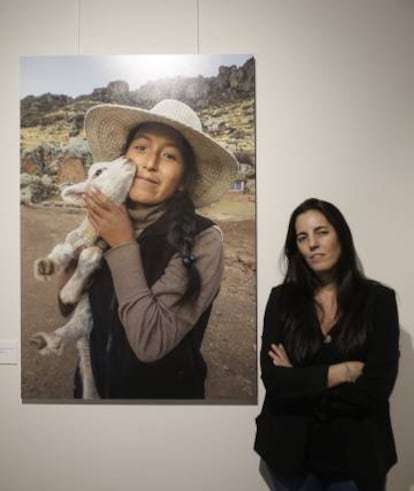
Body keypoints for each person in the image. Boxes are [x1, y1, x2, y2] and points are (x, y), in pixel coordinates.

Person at [60, 99, 238, 399]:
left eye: (169, 155)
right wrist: (78, 251)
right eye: (140, 148)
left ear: (182, 181)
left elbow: (150, 342)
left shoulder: (203, 239)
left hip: (163, 410)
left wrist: (123, 243)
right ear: (123, 160)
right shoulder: (104, 220)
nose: (150, 163)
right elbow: (66, 304)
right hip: (94, 394)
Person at [254, 198, 399, 491]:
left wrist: (298, 378)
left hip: (355, 461)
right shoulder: (282, 300)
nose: (312, 244)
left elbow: (376, 388)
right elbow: (273, 379)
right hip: (289, 459)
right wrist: (341, 372)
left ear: (341, 235)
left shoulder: (378, 300)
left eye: (322, 232)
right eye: (302, 237)